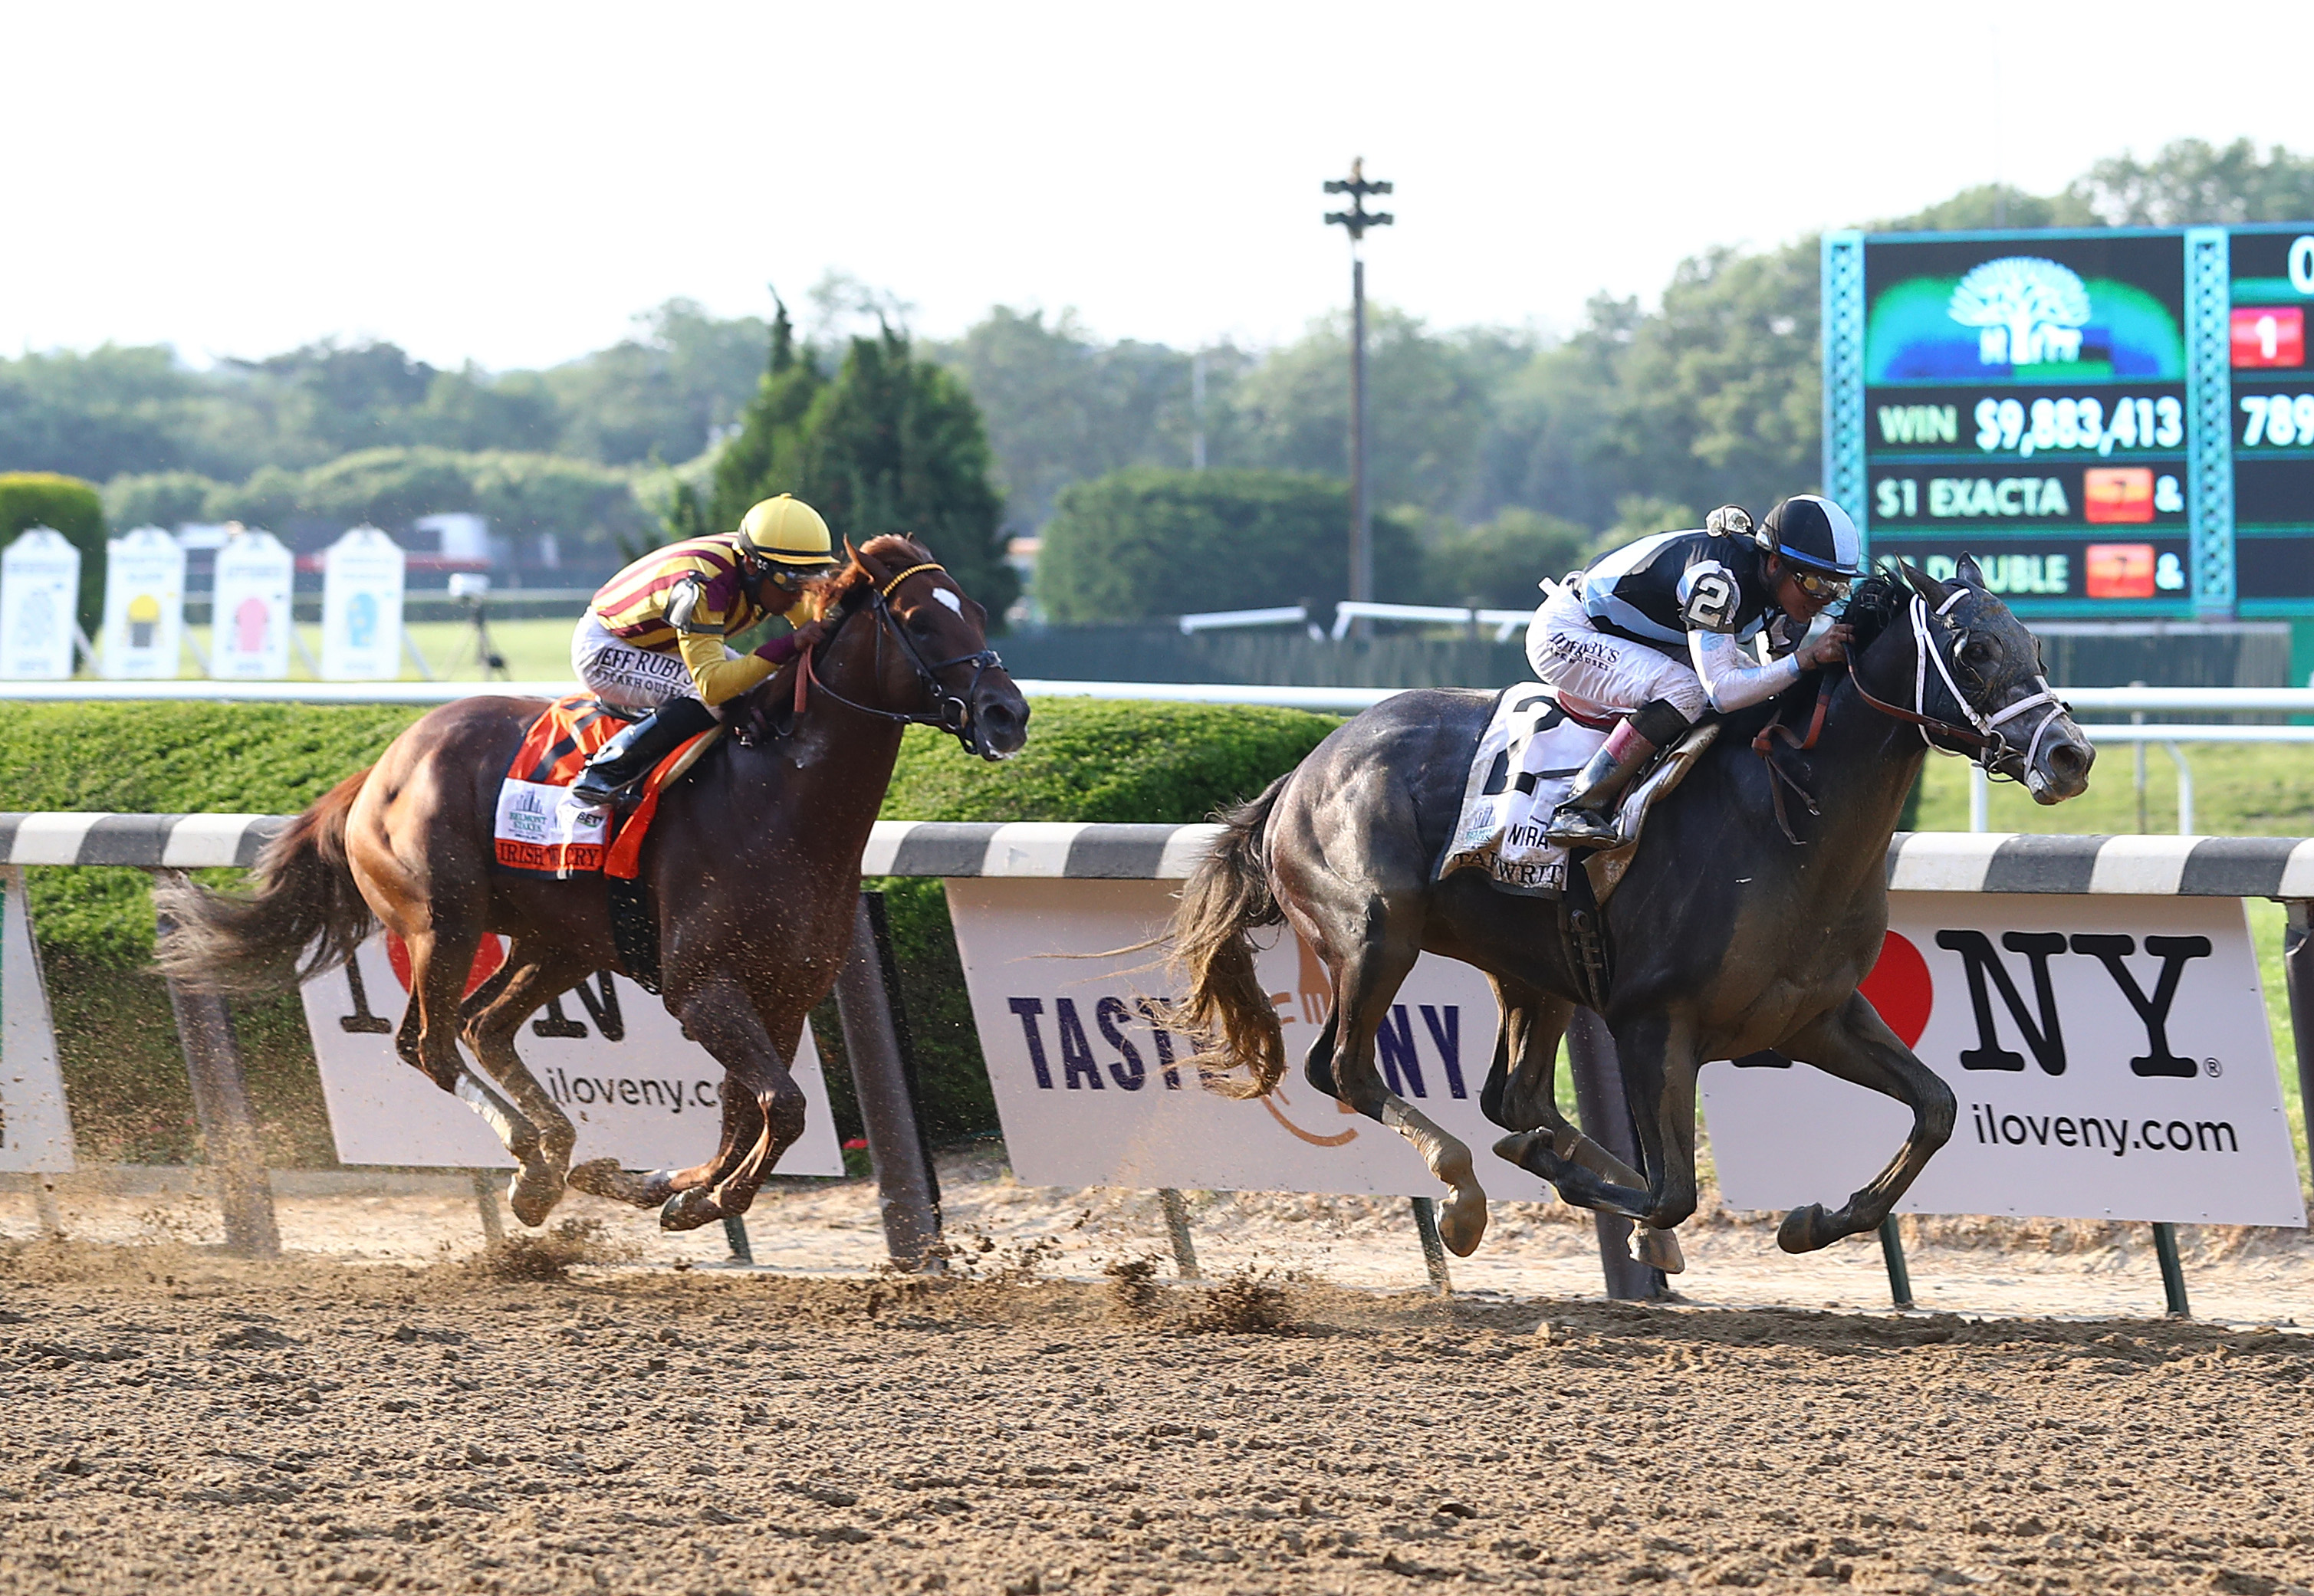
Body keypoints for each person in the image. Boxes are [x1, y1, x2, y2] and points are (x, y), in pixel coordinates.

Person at [1527, 494, 1863, 849]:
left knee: (1752, 682)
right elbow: (1723, 692)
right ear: (1775, 563)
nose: (1823, 599)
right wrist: (1808, 658)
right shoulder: (1716, 581)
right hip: (1570, 631)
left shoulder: (1784, 596)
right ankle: (1579, 805)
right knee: (1685, 691)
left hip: (1633, 634)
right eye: (1814, 583)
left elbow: (1776, 686)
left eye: (1836, 586)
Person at [566, 494, 840, 804]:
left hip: (662, 644)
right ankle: (605, 772)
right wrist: (788, 646)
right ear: (752, 565)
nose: (799, 596)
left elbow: (815, 627)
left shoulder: (765, 567)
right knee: (719, 699)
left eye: (811, 581)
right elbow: (713, 686)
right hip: (607, 647)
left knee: (763, 692)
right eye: (792, 584)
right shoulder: (704, 586)